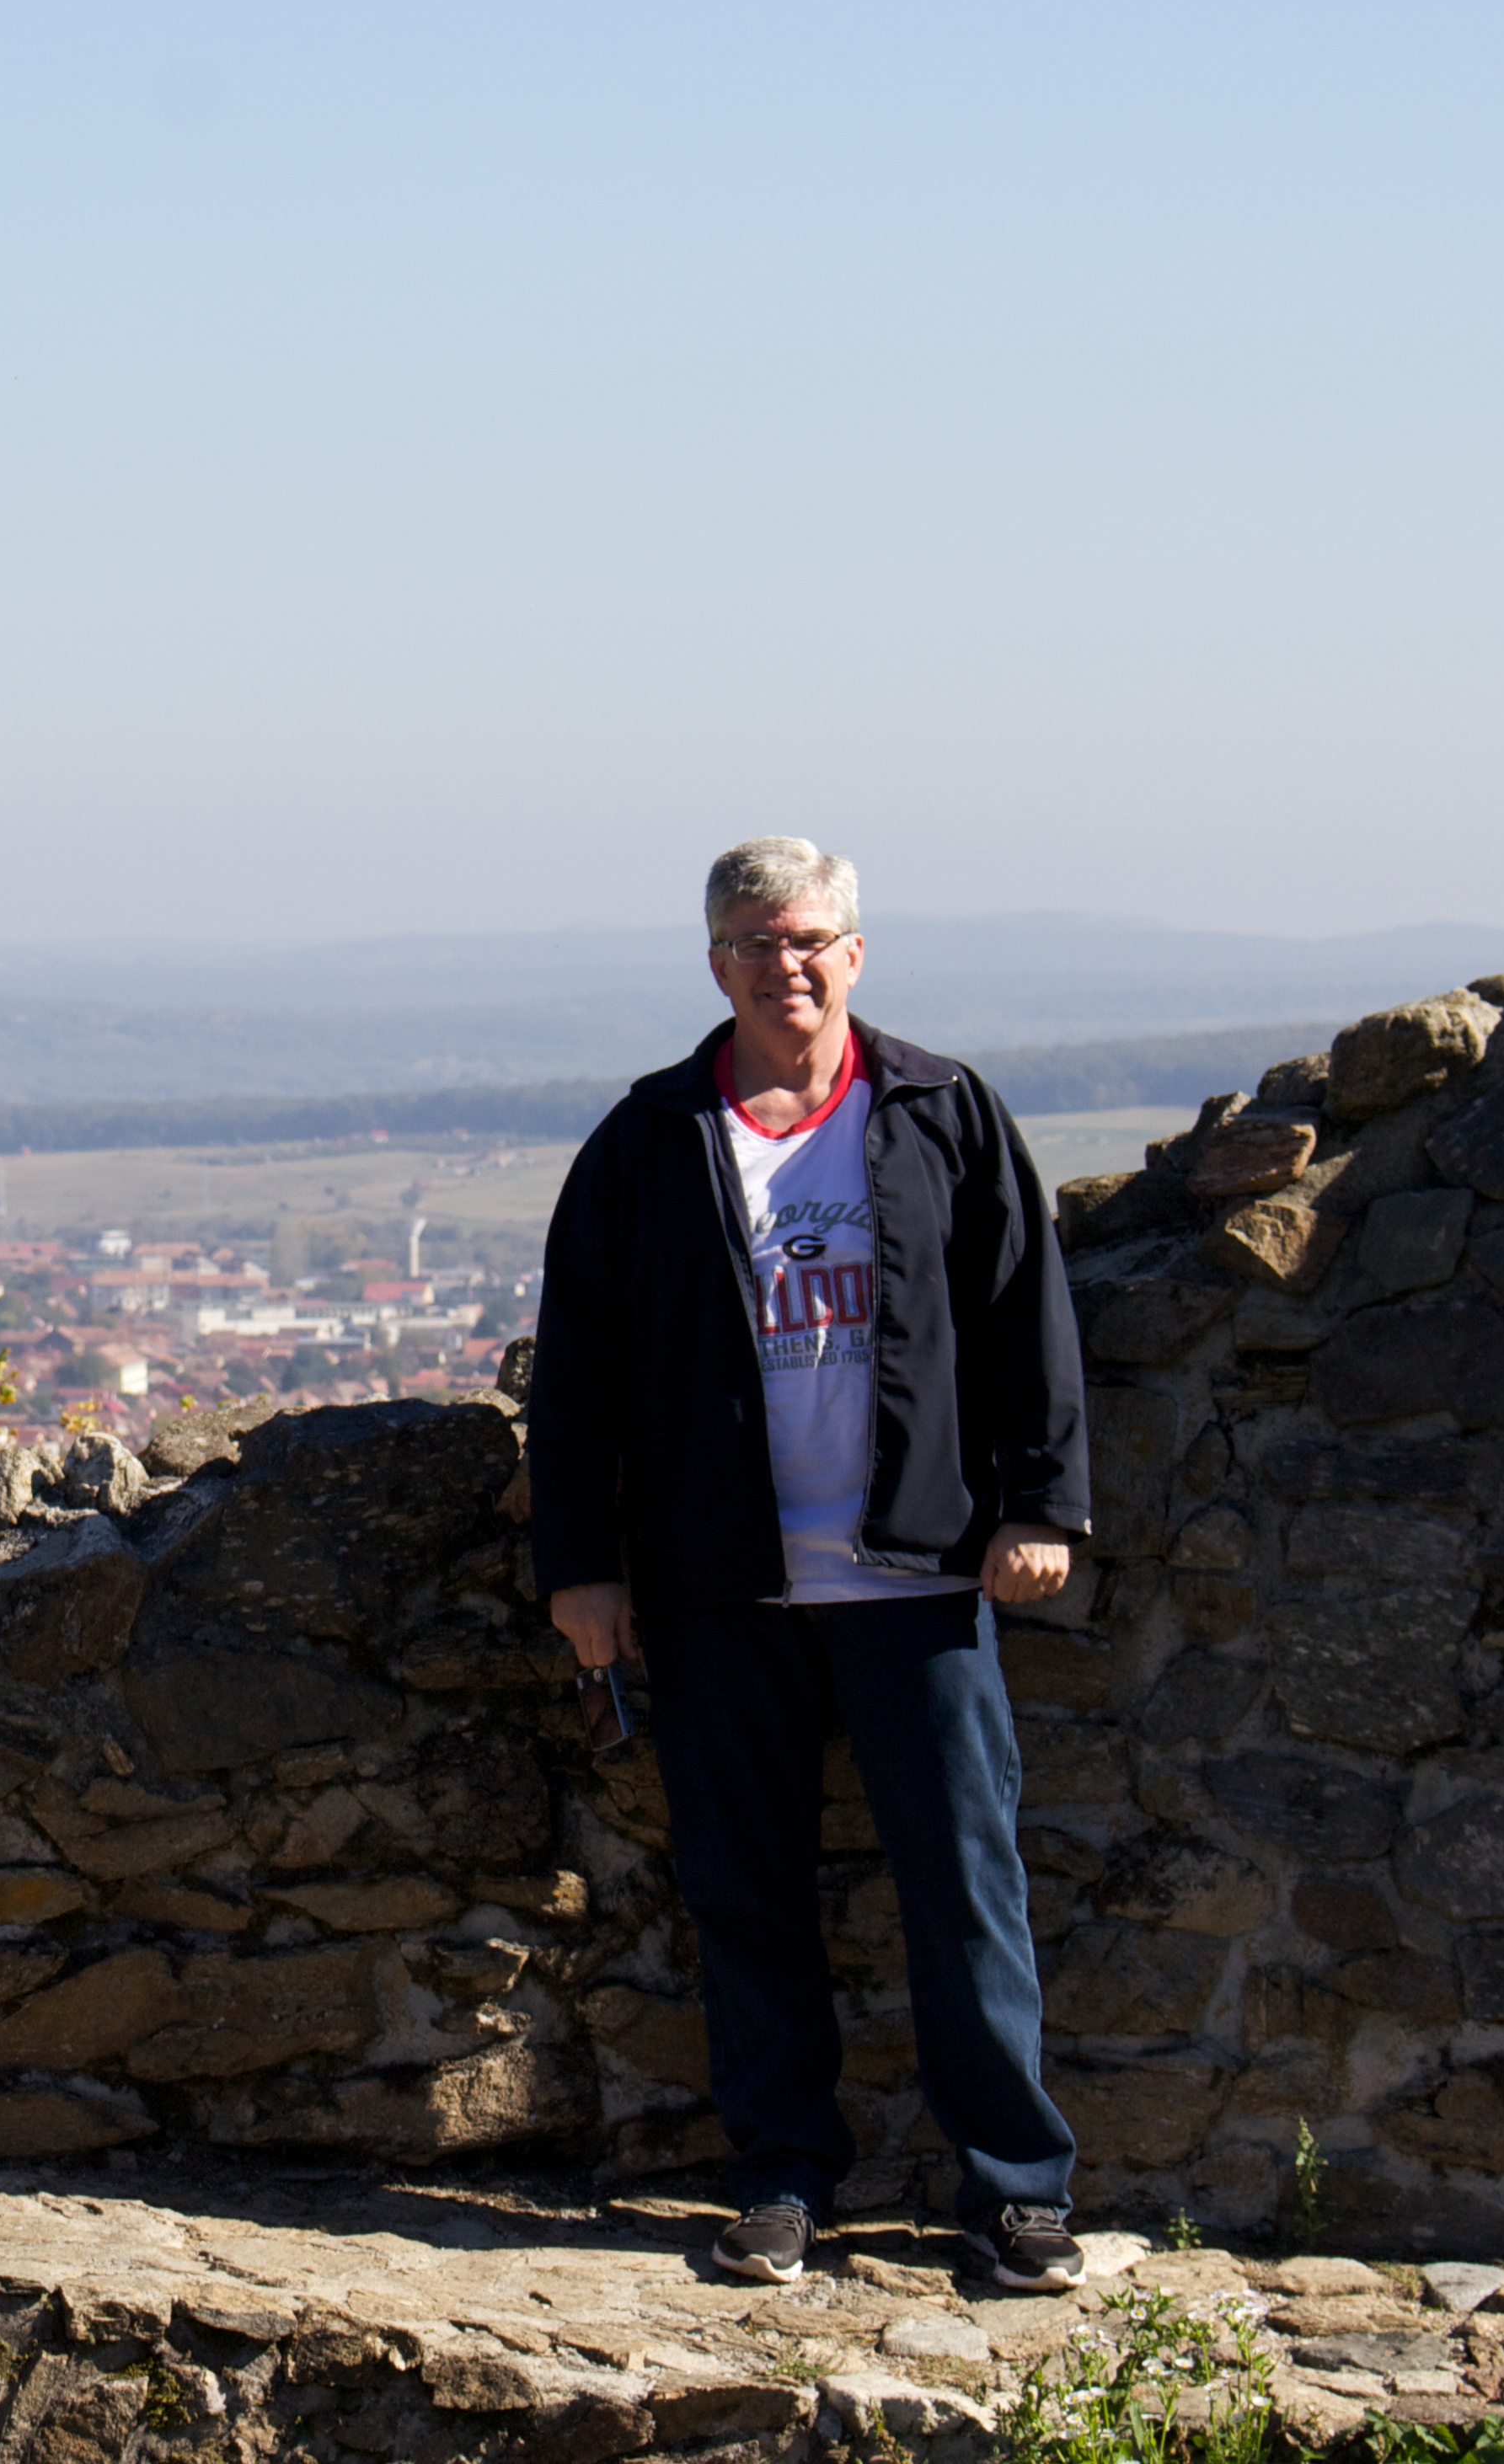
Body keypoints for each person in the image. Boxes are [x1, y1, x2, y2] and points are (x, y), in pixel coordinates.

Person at [529, 836, 1089, 2290]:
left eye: (810, 938)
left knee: (966, 1887)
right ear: (717, 963)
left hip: (920, 1575)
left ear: (854, 953)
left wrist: (1041, 1508)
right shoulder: (651, 1139)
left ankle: (1016, 2188)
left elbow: (1028, 1318)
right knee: (745, 1894)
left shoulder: (942, 1111)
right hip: (721, 1583)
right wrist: (582, 1566)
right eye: (757, 941)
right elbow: (580, 1366)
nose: (787, 963)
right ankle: (781, 2177)